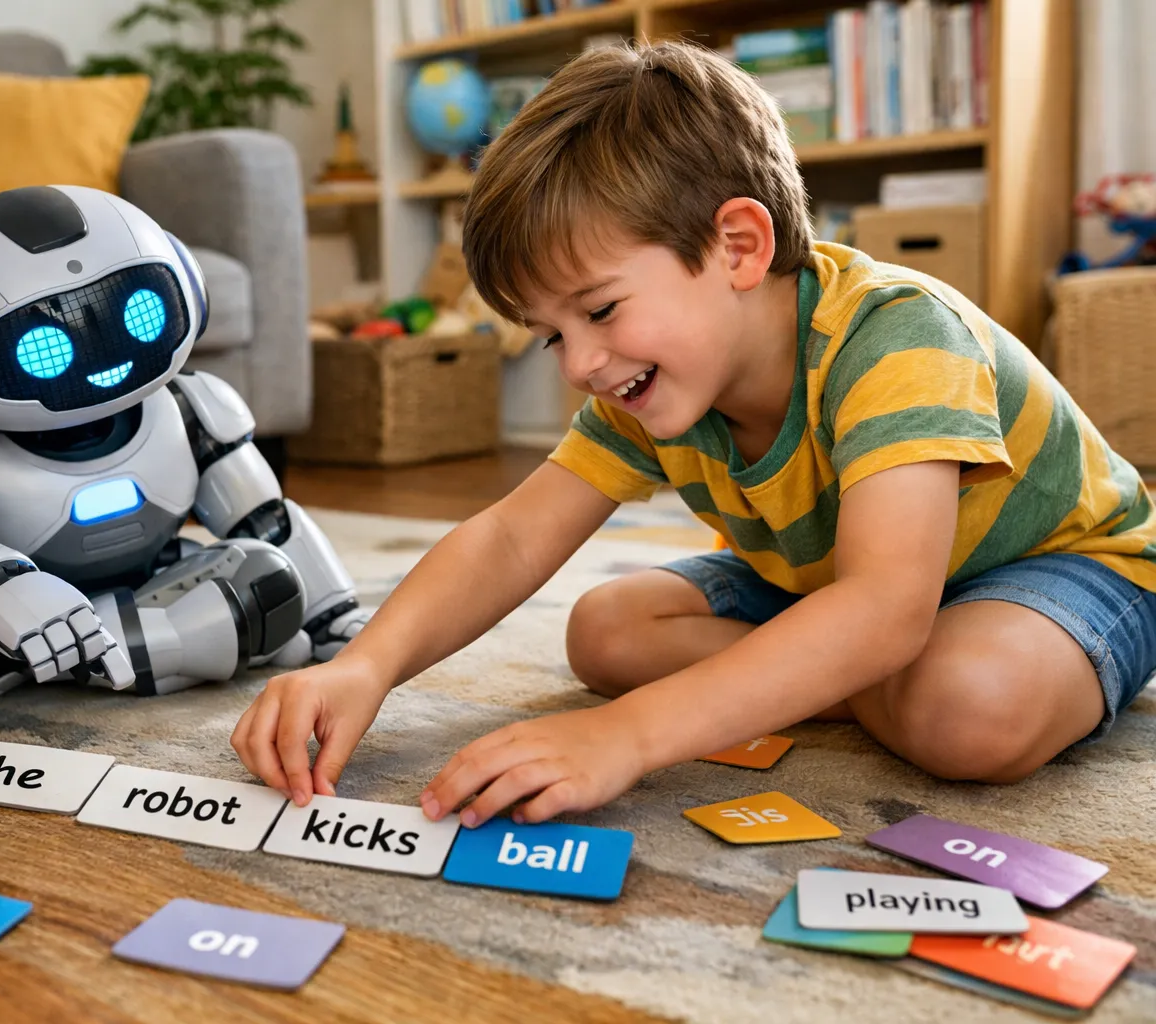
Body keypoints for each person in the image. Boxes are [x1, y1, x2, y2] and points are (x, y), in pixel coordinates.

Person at [231, 42, 1156, 829]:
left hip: (1064, 565)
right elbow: (511, 536)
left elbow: (885, 605)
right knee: (606, 630)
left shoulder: (897, 334)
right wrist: (365, 667)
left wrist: (630, 734)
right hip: (836, 582)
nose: (580, 363)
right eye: (552, 335)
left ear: (739, 247)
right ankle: (836, 670)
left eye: (599, 310)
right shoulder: (649, 380)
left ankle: (843, 668)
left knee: (970, 709)